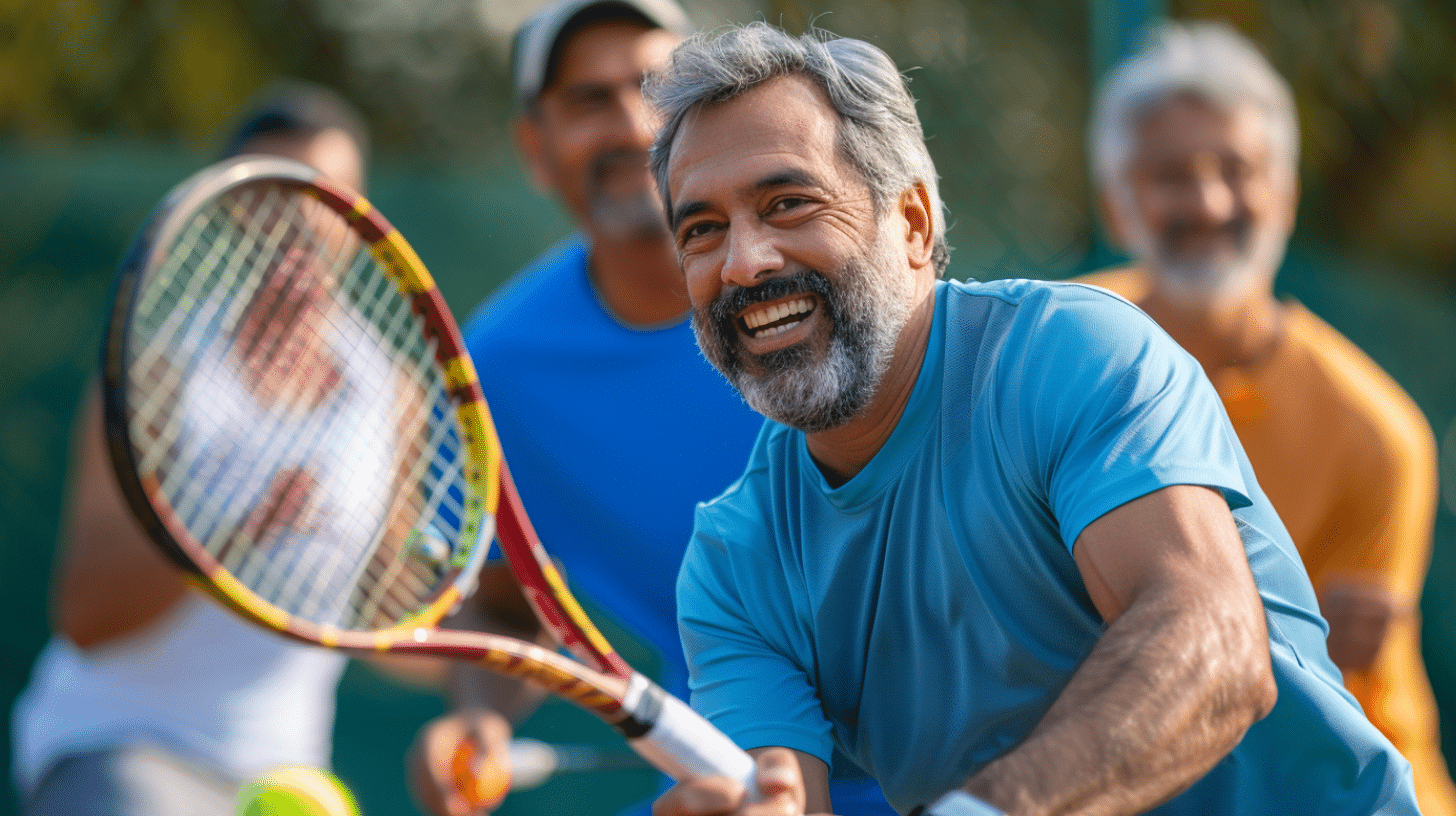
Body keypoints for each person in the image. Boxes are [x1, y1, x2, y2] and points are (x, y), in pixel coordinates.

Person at [642, 21, 1423, 816]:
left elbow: (1212, 646)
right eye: (701, 230)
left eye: (788, 203)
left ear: (911, 224)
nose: (743, 262)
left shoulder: (1071, 352)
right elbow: (778, 794)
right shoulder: (732, 565)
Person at [404, 3, 895, 816]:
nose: (632, 123)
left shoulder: (835, 284)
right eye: (587, 101)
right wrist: (479, 722)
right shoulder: (499, 369)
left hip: (960, 759)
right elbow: (503, 601)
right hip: (726, 782)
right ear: (535, 146)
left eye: (653, 86)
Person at [1077, 21, 1454, 816]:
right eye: (1171, 174)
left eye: (1237, 170)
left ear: (1283, 196)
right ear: (1117, 205)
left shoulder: (1376, 434)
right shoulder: (1059, 354)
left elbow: (1326, 716)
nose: (1209, 200)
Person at [10, 80, 376, 816]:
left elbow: (388, 615)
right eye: (273, 195)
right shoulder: (154, 376)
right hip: (120, 746)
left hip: (284, 774)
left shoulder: (393, 395)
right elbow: (87, 616)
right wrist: (235, 531)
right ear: (232, 213)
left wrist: (488, 690)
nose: (300, 221)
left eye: (324, 195)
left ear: (360, 215)